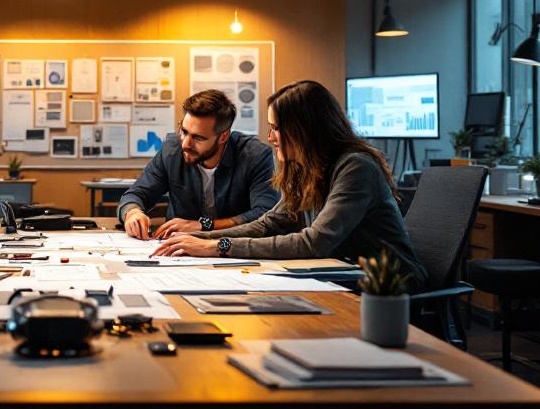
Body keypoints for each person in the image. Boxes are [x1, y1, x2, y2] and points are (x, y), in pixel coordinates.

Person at [153, 80, 427, 291]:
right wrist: (198, 240)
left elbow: (314, 242)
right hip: (339, 270)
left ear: (303, 130)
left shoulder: (356, 167)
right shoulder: (304, 168)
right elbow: (267, 224)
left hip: (386, 281)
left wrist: (219, 245)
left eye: (276, 128)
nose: (270, 137)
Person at [118, 89, 278, 240]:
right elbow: (135, 194)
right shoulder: (172, 150)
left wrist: (204, 226)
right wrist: (133, 213)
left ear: (223, 137)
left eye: (198, 138)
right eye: (184, 131)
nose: (185, 144)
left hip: (232, 247)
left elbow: (265, 214)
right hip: (177, 251)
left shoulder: (255, 155)